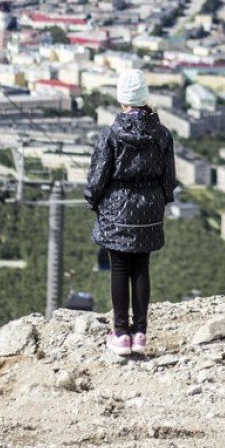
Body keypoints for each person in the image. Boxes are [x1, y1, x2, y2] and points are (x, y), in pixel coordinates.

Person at [85, 69, 177, 357]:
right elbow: (169, 178)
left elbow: (97, 177)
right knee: (141, 268)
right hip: (149, 210)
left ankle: (120, 333)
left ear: (121, 100)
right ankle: (140, 333)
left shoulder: (112, 135)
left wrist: (94, 201)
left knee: (119, 269)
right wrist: (160, 201)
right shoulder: (162, 134)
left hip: (117, 208)